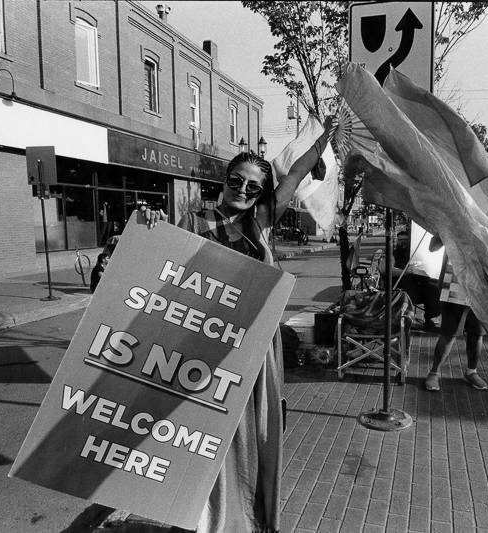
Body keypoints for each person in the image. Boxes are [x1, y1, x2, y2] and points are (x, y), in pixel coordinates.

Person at [144, 115, 337, 533]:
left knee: (250, 434)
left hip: (254, 351)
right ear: (225, 180)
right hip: (201, 347)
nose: (244, 190)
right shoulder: (194, 222)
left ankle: (247, 517)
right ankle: (204, 516)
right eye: (237, 181)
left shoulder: (261, 223)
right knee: (202, 432)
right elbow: (166, 278)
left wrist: (323, 142)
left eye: (254, 186)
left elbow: (297, 173)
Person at [424, 235, 488, 391]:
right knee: (449, 333)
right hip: (454, 286)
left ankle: (471, 372)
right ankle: (434, 372)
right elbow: (432, 247)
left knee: (477, 333)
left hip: (481, 288)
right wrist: (441, 232)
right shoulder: (452, 218)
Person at [382, 230, 442, 331]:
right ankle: (403, 318)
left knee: (433, 289)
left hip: (417, 285)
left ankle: (429, 319)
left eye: (406, 239)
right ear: (397, 241)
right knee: (409, 287)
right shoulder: (393, 254)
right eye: (401, 240)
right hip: (400, 287)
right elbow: (384, 269)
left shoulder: (416, 253)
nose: (403, 242)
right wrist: (404, 272)